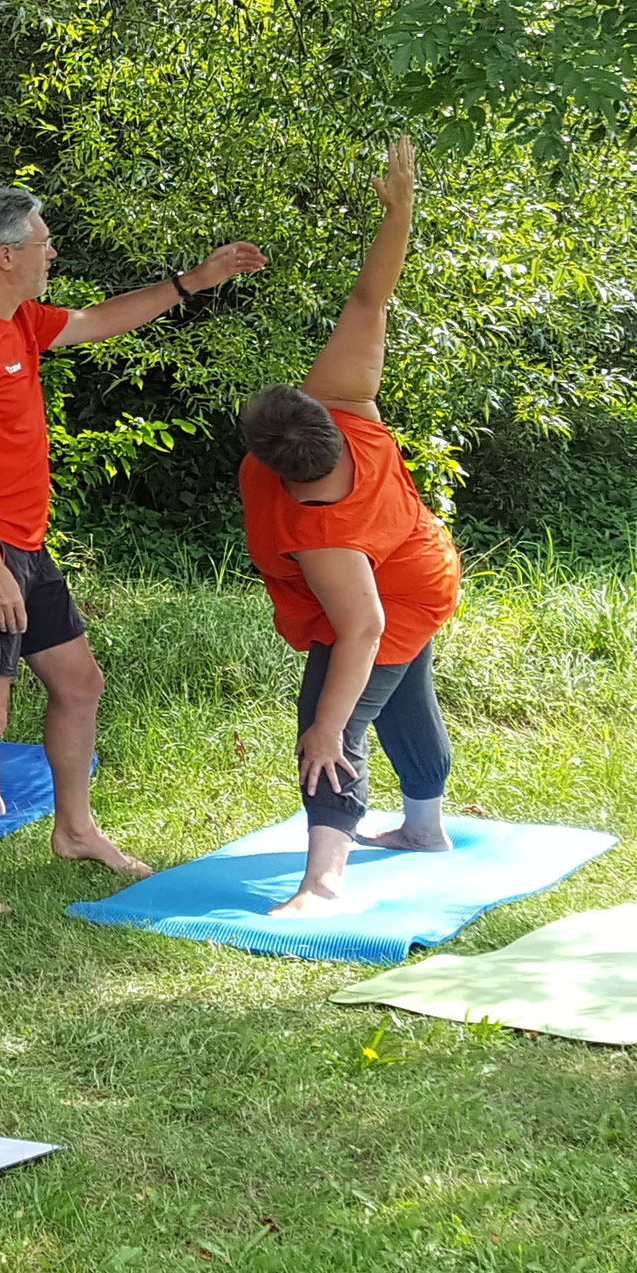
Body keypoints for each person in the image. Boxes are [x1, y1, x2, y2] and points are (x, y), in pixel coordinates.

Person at [0, 185, 267, 912]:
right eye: (43, 244)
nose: (52, 253)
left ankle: (74, 830)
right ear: (5, 256)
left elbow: (101, 320)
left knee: (79, 685)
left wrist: (192, 282)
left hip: (26, 546)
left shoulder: (19, 323)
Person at [237, 138, 462, 918]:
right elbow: (372, 299)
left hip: (389, 592)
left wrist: (327, 727)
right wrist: (399, 210)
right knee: (407, 692)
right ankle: (424, 829)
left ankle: (323, 882)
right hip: (421, 560)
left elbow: (361, 628)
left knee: (336, 716)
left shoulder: (321, 529)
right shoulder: (345, 401)